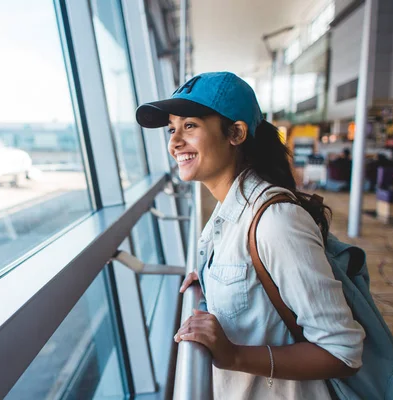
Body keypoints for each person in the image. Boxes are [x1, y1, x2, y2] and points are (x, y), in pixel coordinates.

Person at [136, 72, 365, 400]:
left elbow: (342, 351)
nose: (174, 142)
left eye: (190, 126)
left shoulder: (275, 221)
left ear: (236, 133)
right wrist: (208, 279)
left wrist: (235, 356)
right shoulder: (227, 210)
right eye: (172, 129)